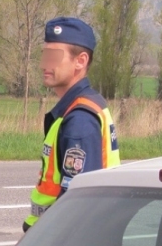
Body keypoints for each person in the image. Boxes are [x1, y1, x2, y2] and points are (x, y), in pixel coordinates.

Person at [23, 17, 120, 232]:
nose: (44, 64)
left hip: (60, 242)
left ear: (81, 61)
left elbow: (78, 203)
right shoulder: (80, 106)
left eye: (54, 56)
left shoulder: (80, 120)